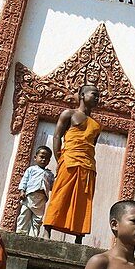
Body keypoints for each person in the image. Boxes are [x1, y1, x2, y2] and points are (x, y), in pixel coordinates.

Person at [44, 84, 101, 244]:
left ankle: (79, 235)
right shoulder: (68, 114)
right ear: (82, 95)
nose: (97, 98)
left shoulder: (96, 126)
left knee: (83, 200)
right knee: (60, 194)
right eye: (94, 94)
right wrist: (59, 158)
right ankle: (47, 229)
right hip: (68, 160)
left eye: (98, 96)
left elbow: (91, 145)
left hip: (87, 165)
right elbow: (57, 136)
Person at [16, 145, 55, 237]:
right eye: (41, 157)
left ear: (49, 161)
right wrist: (22, 191)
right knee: (24, 215)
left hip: (41, 199)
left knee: (37, 219)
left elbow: (52, 186)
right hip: (29, 197)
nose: (43, 160)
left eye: (47, 158)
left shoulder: (49, 174)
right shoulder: (31, 169)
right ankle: (20, 233)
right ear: (35, 157)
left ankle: (32, 236)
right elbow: (24, 181)